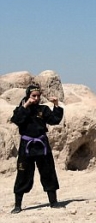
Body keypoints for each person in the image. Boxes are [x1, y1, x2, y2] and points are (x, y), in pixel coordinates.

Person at [10, 83, 64, 213]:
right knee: (23, 174)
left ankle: (53, 202)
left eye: (38, 96)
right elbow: (16, 120)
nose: (36, 98)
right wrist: (26, 105)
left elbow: (55, 120)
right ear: (28, 96)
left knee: (48, 171)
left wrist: (56, 105)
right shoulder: (21, 109)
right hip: (26, 146)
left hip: (41, 145)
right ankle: (18, 205)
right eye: (33, 96)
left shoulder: (43, 109)